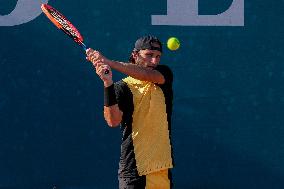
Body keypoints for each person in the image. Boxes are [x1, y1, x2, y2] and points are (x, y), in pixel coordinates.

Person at [86, 35, 174, 189]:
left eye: (158, 57)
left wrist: (110, 62)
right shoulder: (122, 87)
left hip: (162, 171)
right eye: (149, 55)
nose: (154, 61)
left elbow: (148, 75)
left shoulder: (163, 74)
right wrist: (108, 84)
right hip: (134, 171)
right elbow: (113, 121)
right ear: (135, 55)